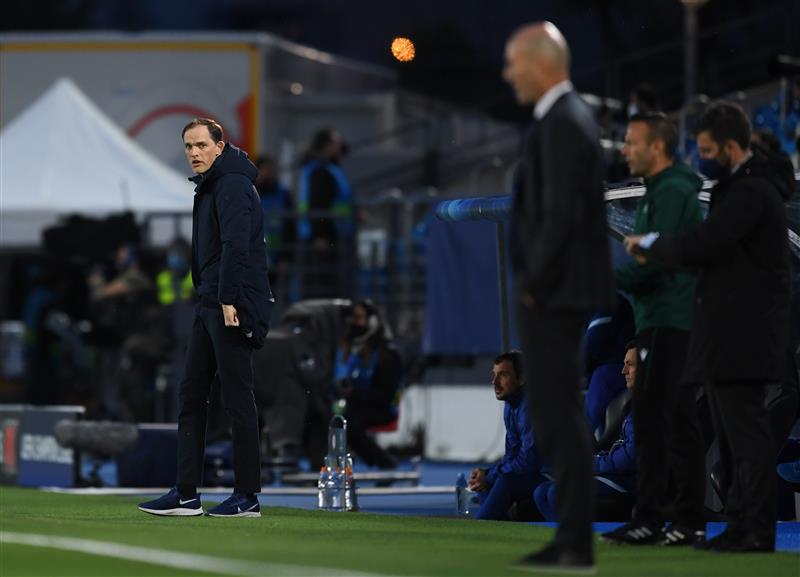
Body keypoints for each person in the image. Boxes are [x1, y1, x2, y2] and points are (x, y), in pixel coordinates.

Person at [626, 101, 794, 552]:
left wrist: (654, 245)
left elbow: (708, 243)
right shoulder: (742, 188)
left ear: (731, 146)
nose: (700, 156)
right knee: (731, 436)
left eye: (705, 148)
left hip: (745, 334)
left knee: (745, 437)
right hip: (729, 334)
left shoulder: (751, 192)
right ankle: (741, 526)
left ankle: (755, 530)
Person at [504, 21, 616, 572]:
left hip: (555, 294)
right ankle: (570, 536)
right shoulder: (561, 120)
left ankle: (576, 540)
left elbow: (561, 215)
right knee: (553, 415)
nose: (508, 74)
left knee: (558, 415)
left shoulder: (565, 122)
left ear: (541, 63)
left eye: (513, 63)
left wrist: (535, 283)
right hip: (556, 290)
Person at [139, 117, 274, 518]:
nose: (194, 153)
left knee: (236, 400)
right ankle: (186, 493)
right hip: (211, 300)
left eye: (200, 145)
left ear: (219, 146)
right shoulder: (214, 184)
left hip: (228, 303)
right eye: (188, 146)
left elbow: (236, 247)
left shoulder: (230, 184)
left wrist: (229, 300)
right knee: (191, 395)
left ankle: (247, 495)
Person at [601, 112, 707, 546]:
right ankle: (676, 519)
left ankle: (662, 518)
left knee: (659, 421)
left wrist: (606, 281)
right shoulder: (660, 193)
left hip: (668, 320)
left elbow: (661, 263)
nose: (624, 149)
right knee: (667, 420)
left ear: (657, 148)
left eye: (632, 142)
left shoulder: (669, 194)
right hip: (664, 320)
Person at [535, 341, 638, 521]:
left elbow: (630, 458)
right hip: (618, 473)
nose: (623, 371)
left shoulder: (650, 406)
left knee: (556, 492)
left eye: (629, 364)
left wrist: (594, 465)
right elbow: (619, 448)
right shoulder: (632, 405)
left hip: (631, 481)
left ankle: (576, 542)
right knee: (541, 492)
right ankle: (561, 541)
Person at [468, 351, 546, 521]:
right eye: (494, 375)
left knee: (505, 481)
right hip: (536, 471)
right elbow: (512, 454)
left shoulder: (531, 406)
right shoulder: (511, 405)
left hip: (553, 473)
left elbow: (528, 461)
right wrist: (487, 474)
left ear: (522, 378)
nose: (494, 382)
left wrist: (490, 475)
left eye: (502, 375)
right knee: (488, 484)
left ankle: (478, 528)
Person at [334, 300, 401, 470]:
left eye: (358, 318)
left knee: (348, 423)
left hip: (380, 408)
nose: (353, 323)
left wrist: (354, 394)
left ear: (372, 322)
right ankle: (318, 465)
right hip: (351, 405)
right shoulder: (345, 348)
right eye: (351, 318)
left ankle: (385, 462)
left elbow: (385, 395)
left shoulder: (387, 354)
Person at [297, 128, 355, 299]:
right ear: (326, 146)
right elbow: (318, 205)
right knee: (323, 285)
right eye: (336, 143)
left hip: (331, 235)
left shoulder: (326, 168)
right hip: (323, 238)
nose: (341, 146)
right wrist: (320, 235)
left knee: (329, 284)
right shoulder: (321, 170)